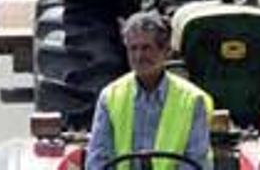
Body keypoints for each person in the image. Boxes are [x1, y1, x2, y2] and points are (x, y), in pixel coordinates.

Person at [86, 12, 213, 170]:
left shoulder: (192, 100)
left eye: (146, 48)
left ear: (165, 51)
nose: (139, 56)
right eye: (133, 48)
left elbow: (196, 161)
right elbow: (99, 159)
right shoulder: (110, 97)